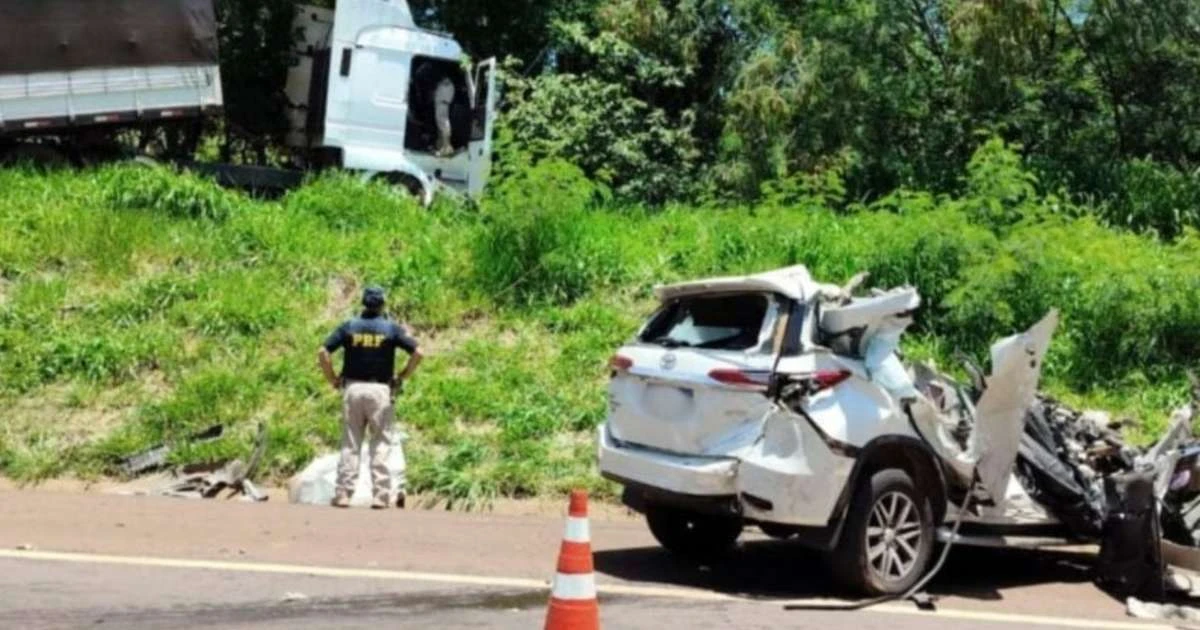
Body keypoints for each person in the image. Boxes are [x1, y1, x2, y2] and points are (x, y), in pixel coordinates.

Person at [318, 286, 423, 509]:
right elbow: (418, 352)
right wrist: (403, 375)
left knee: (351, 443)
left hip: (353, 389)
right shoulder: (391, 329)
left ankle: (344, 493)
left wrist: (332, 378)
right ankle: (381, 495)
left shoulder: (349, 326)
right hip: (380, 390)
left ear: (363, 304)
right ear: (382, 304)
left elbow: (323, 352)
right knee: (381, 442)